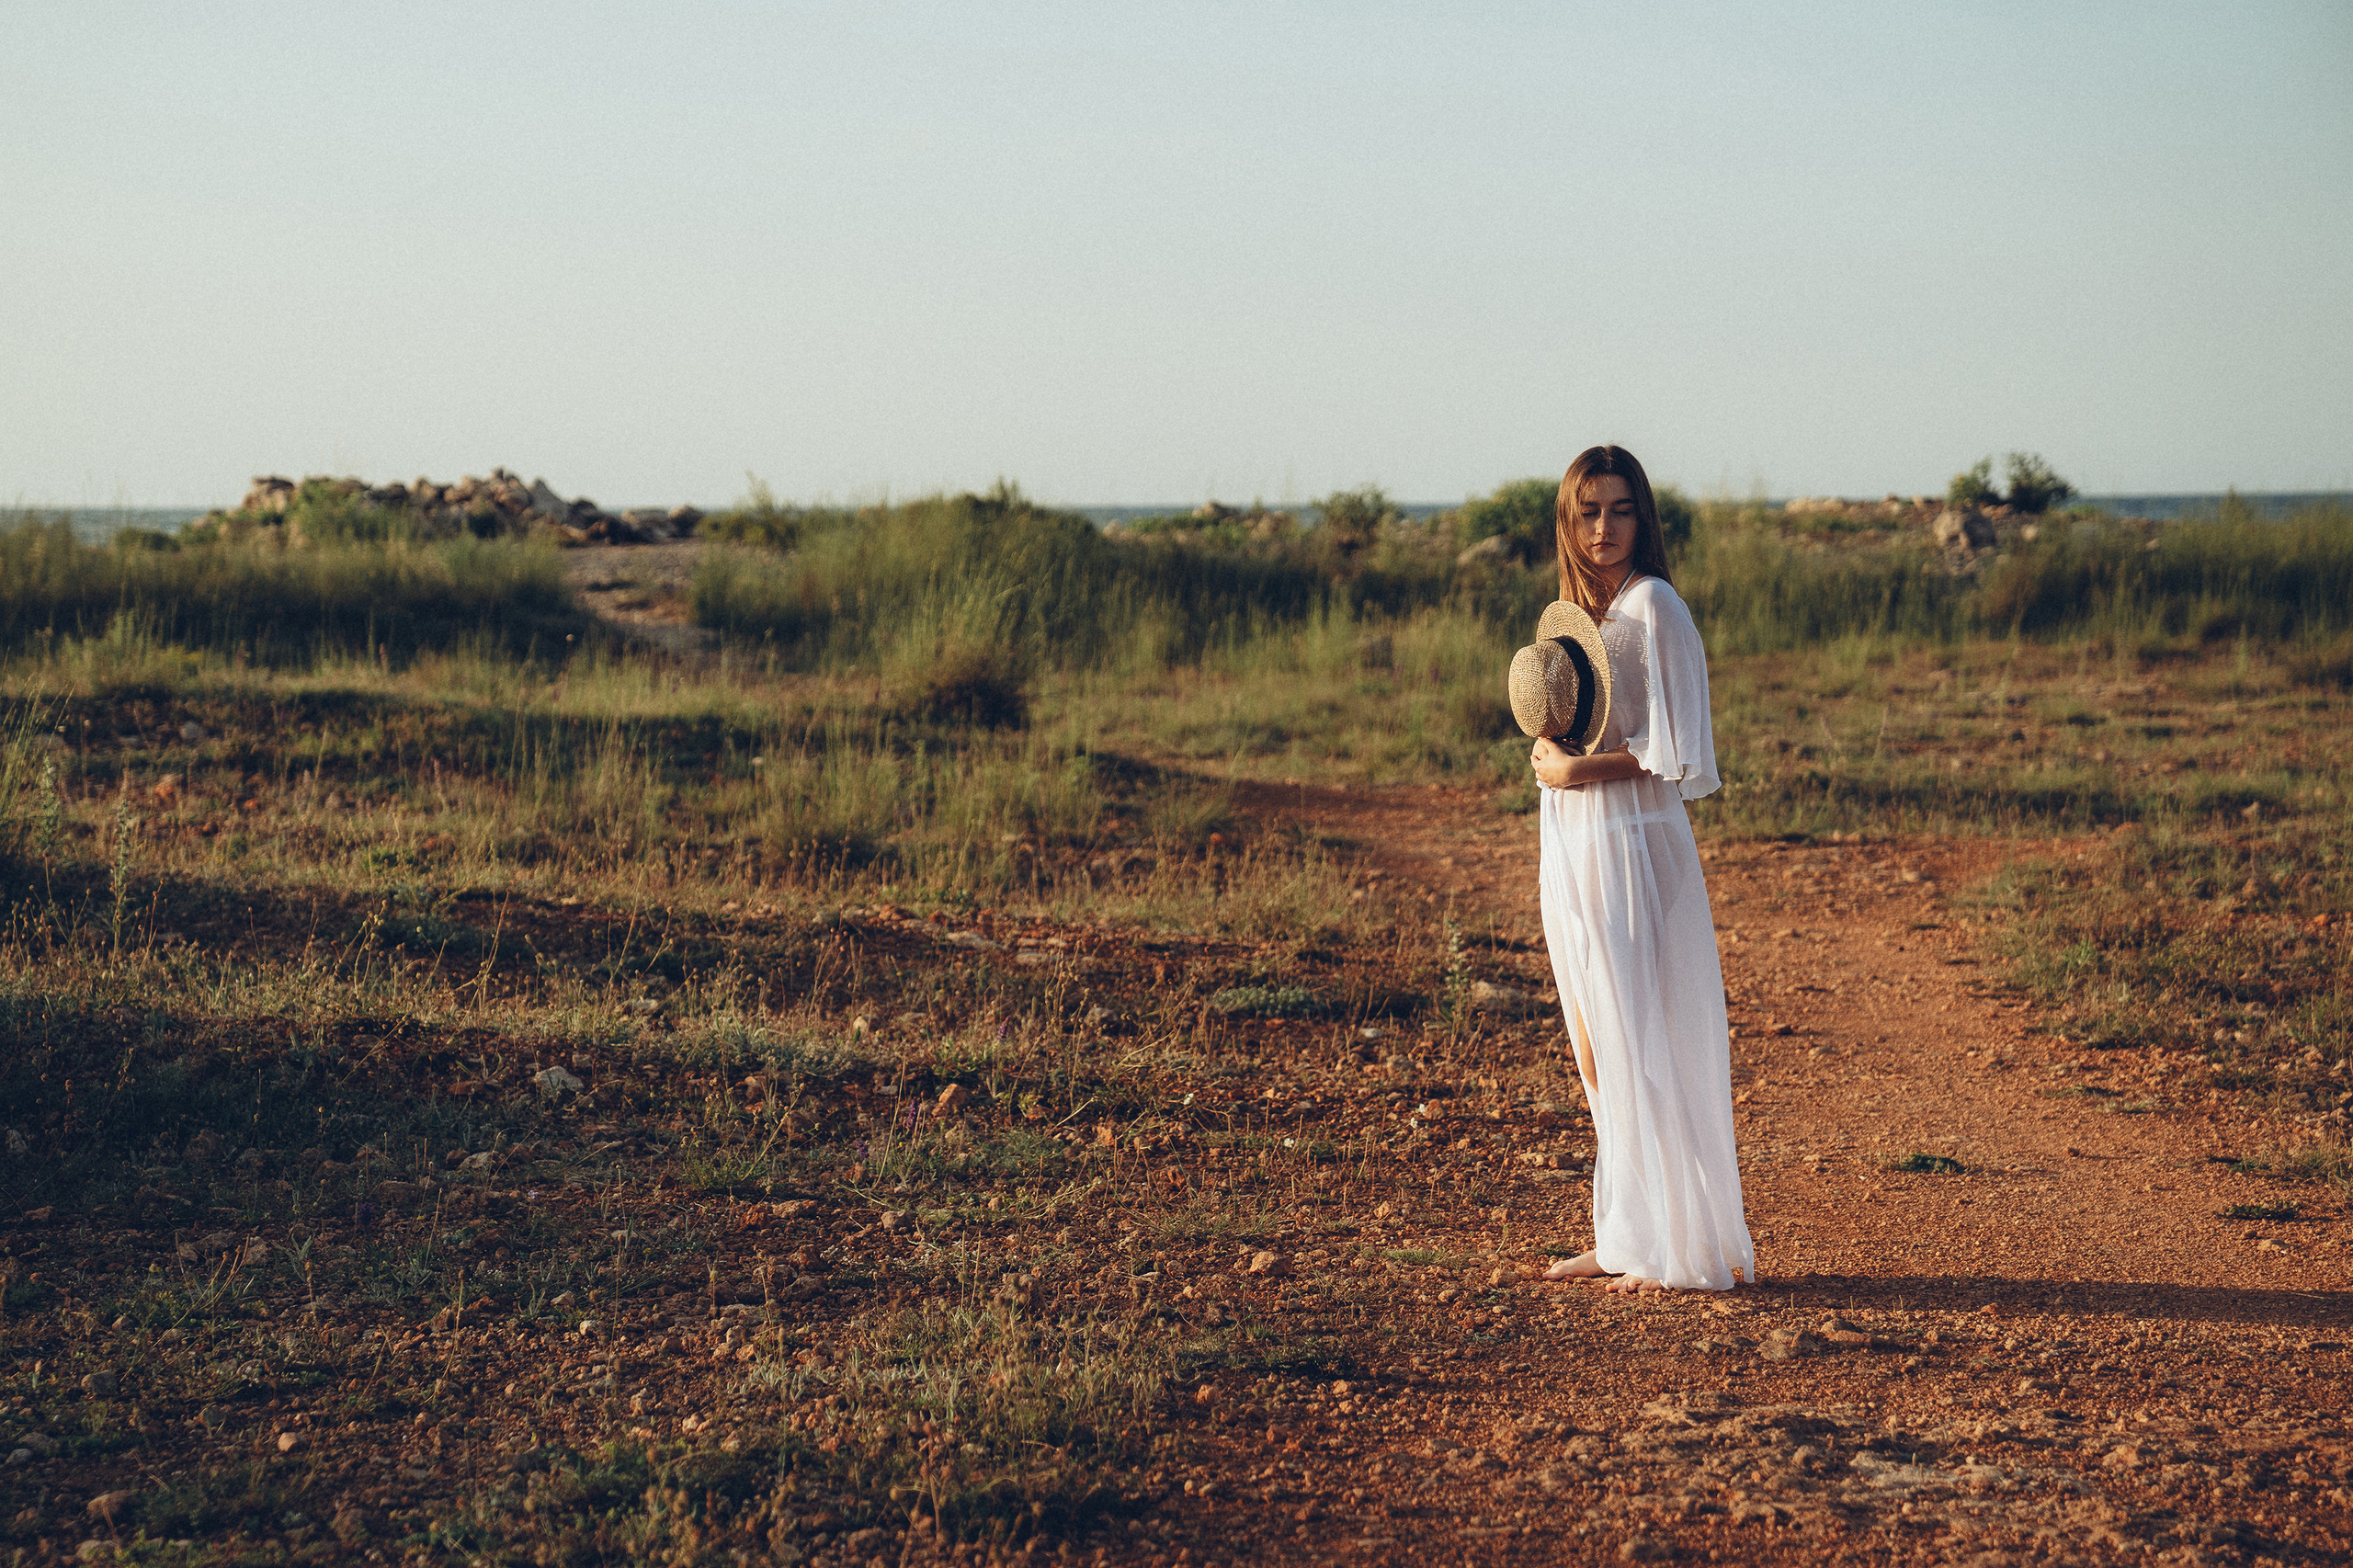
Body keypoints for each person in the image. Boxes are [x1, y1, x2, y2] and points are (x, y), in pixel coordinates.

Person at [1529, 445, 1754, 1293]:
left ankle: (1678, 1243)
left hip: (1630, 837)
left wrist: (1576, 772)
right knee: (1594, 1042)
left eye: (1620, 510)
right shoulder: (1583, 613)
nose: (1603, 527)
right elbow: (1576, 725)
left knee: (1643, 1033)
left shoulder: (1655, 604)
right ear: (1568, 518)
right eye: (1588, 511)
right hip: (1575, 839)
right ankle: (1625, 1232)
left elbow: (1682, 753)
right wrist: (1552, 749)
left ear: (1643, 516)